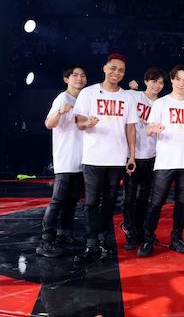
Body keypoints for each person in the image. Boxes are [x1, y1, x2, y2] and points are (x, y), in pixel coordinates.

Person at [72, 53, 137, 263]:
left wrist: (132, 155)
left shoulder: (127, 97)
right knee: (91, 202)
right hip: (93, 157)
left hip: (117, 158)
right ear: (105, 68)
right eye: (113, 68)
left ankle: (104, 239)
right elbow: (79, 123)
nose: (116, 73)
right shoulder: (88, 93)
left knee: (109, 202)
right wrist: (87, 124)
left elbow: (130, 129)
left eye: (121, 70)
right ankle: (91, 243)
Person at [137, 65, 184, 257]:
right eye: (178, 79)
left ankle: (177, 238)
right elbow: (149, 129)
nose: (182, 83)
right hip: (165, 161)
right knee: (156, 202)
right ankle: (148, 239)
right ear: (172, 80)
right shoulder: (161, 103)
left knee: (182, 203)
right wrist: (152, 129)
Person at [37, 65, 88, 257]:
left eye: (83, 75)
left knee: (72, 201)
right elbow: (48, 124)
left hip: (81, 159)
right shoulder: (62, 98)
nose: (79, 78)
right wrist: (60, 112)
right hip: (65, 159)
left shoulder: (83, 100)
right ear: (66, 79)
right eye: (75, 75)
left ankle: (64, 235)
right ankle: (45, 241)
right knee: (58, 201)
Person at [121, 68, 166, 250]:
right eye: (154, 81)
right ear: (146, 81)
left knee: (144, 197)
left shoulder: (163, 104)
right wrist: (130, 86)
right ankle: (130, 232)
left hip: (152, 155)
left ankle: (141, 230)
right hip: (132, 154)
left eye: (160, 82)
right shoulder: (133, 96)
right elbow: (117, 93)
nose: (157, 85)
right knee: (129, 197)